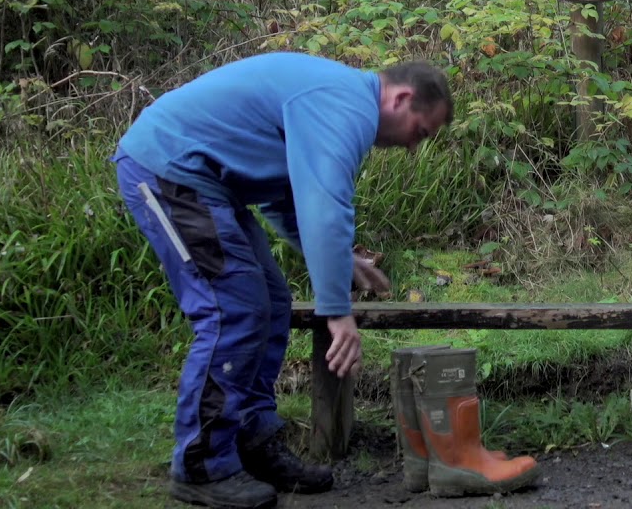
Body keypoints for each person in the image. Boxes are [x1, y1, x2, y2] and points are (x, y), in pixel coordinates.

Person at [113, 52, 453, 509]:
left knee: (269, 301)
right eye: (420, 132)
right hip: (168, 168)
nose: (413, 147)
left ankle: (250, 443)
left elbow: (288, 199)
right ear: (402, 98)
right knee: (232, 309)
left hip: (209, 184)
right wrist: (337, 312)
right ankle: (201, 464)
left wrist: (342, 264)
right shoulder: (345, 105)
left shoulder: (337, 101)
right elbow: (325, 208)